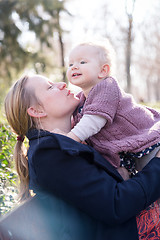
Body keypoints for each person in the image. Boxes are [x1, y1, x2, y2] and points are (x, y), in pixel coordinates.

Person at [4, 74, 160, 240]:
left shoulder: (77, 138)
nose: (62, 84)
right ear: (37, 111)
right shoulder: (48, 154)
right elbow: (115, 205)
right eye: (50, 87)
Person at [65, 40, 160, 178]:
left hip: (148, 141)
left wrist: (69, 139)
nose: (74, 67)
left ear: (103, 71)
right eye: (70, 64)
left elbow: (93, 121)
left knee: (154, 175)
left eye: (82, 62)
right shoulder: (80, 99)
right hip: (128, 152)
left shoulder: (107, 87)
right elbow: (78, 123)